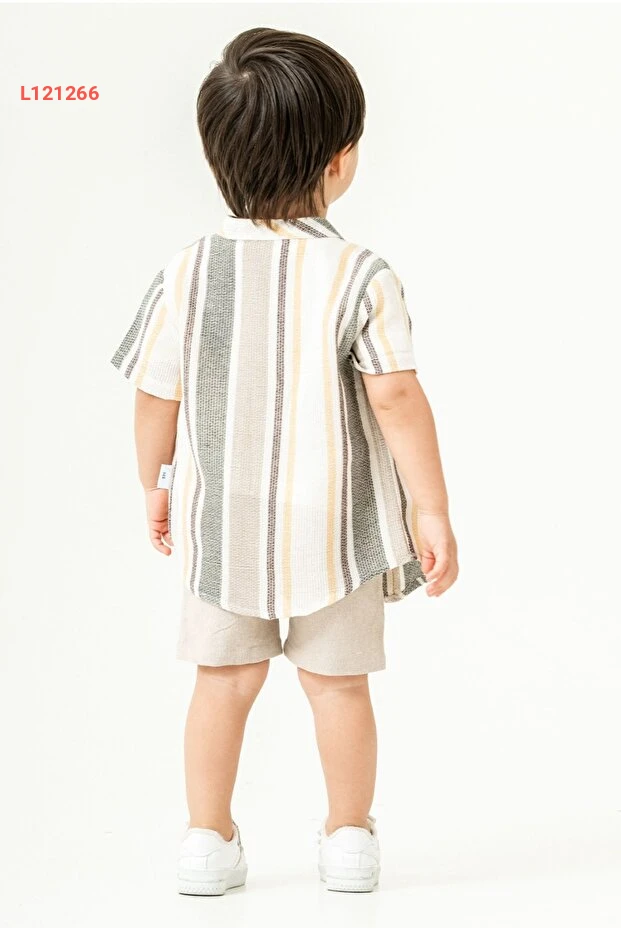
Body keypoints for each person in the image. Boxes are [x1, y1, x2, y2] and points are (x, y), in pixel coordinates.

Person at [109, 26, 458, 896]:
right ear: (339, 162)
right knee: (338, 687)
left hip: (223, 526)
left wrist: (155, 484)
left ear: (215, 155)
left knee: (221, 683)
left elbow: (154, 396)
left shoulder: (188, 270)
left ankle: (205, 839)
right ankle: (348, 840)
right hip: (338, 531)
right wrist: (430, 508)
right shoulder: (360, 274)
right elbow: (396, 396)